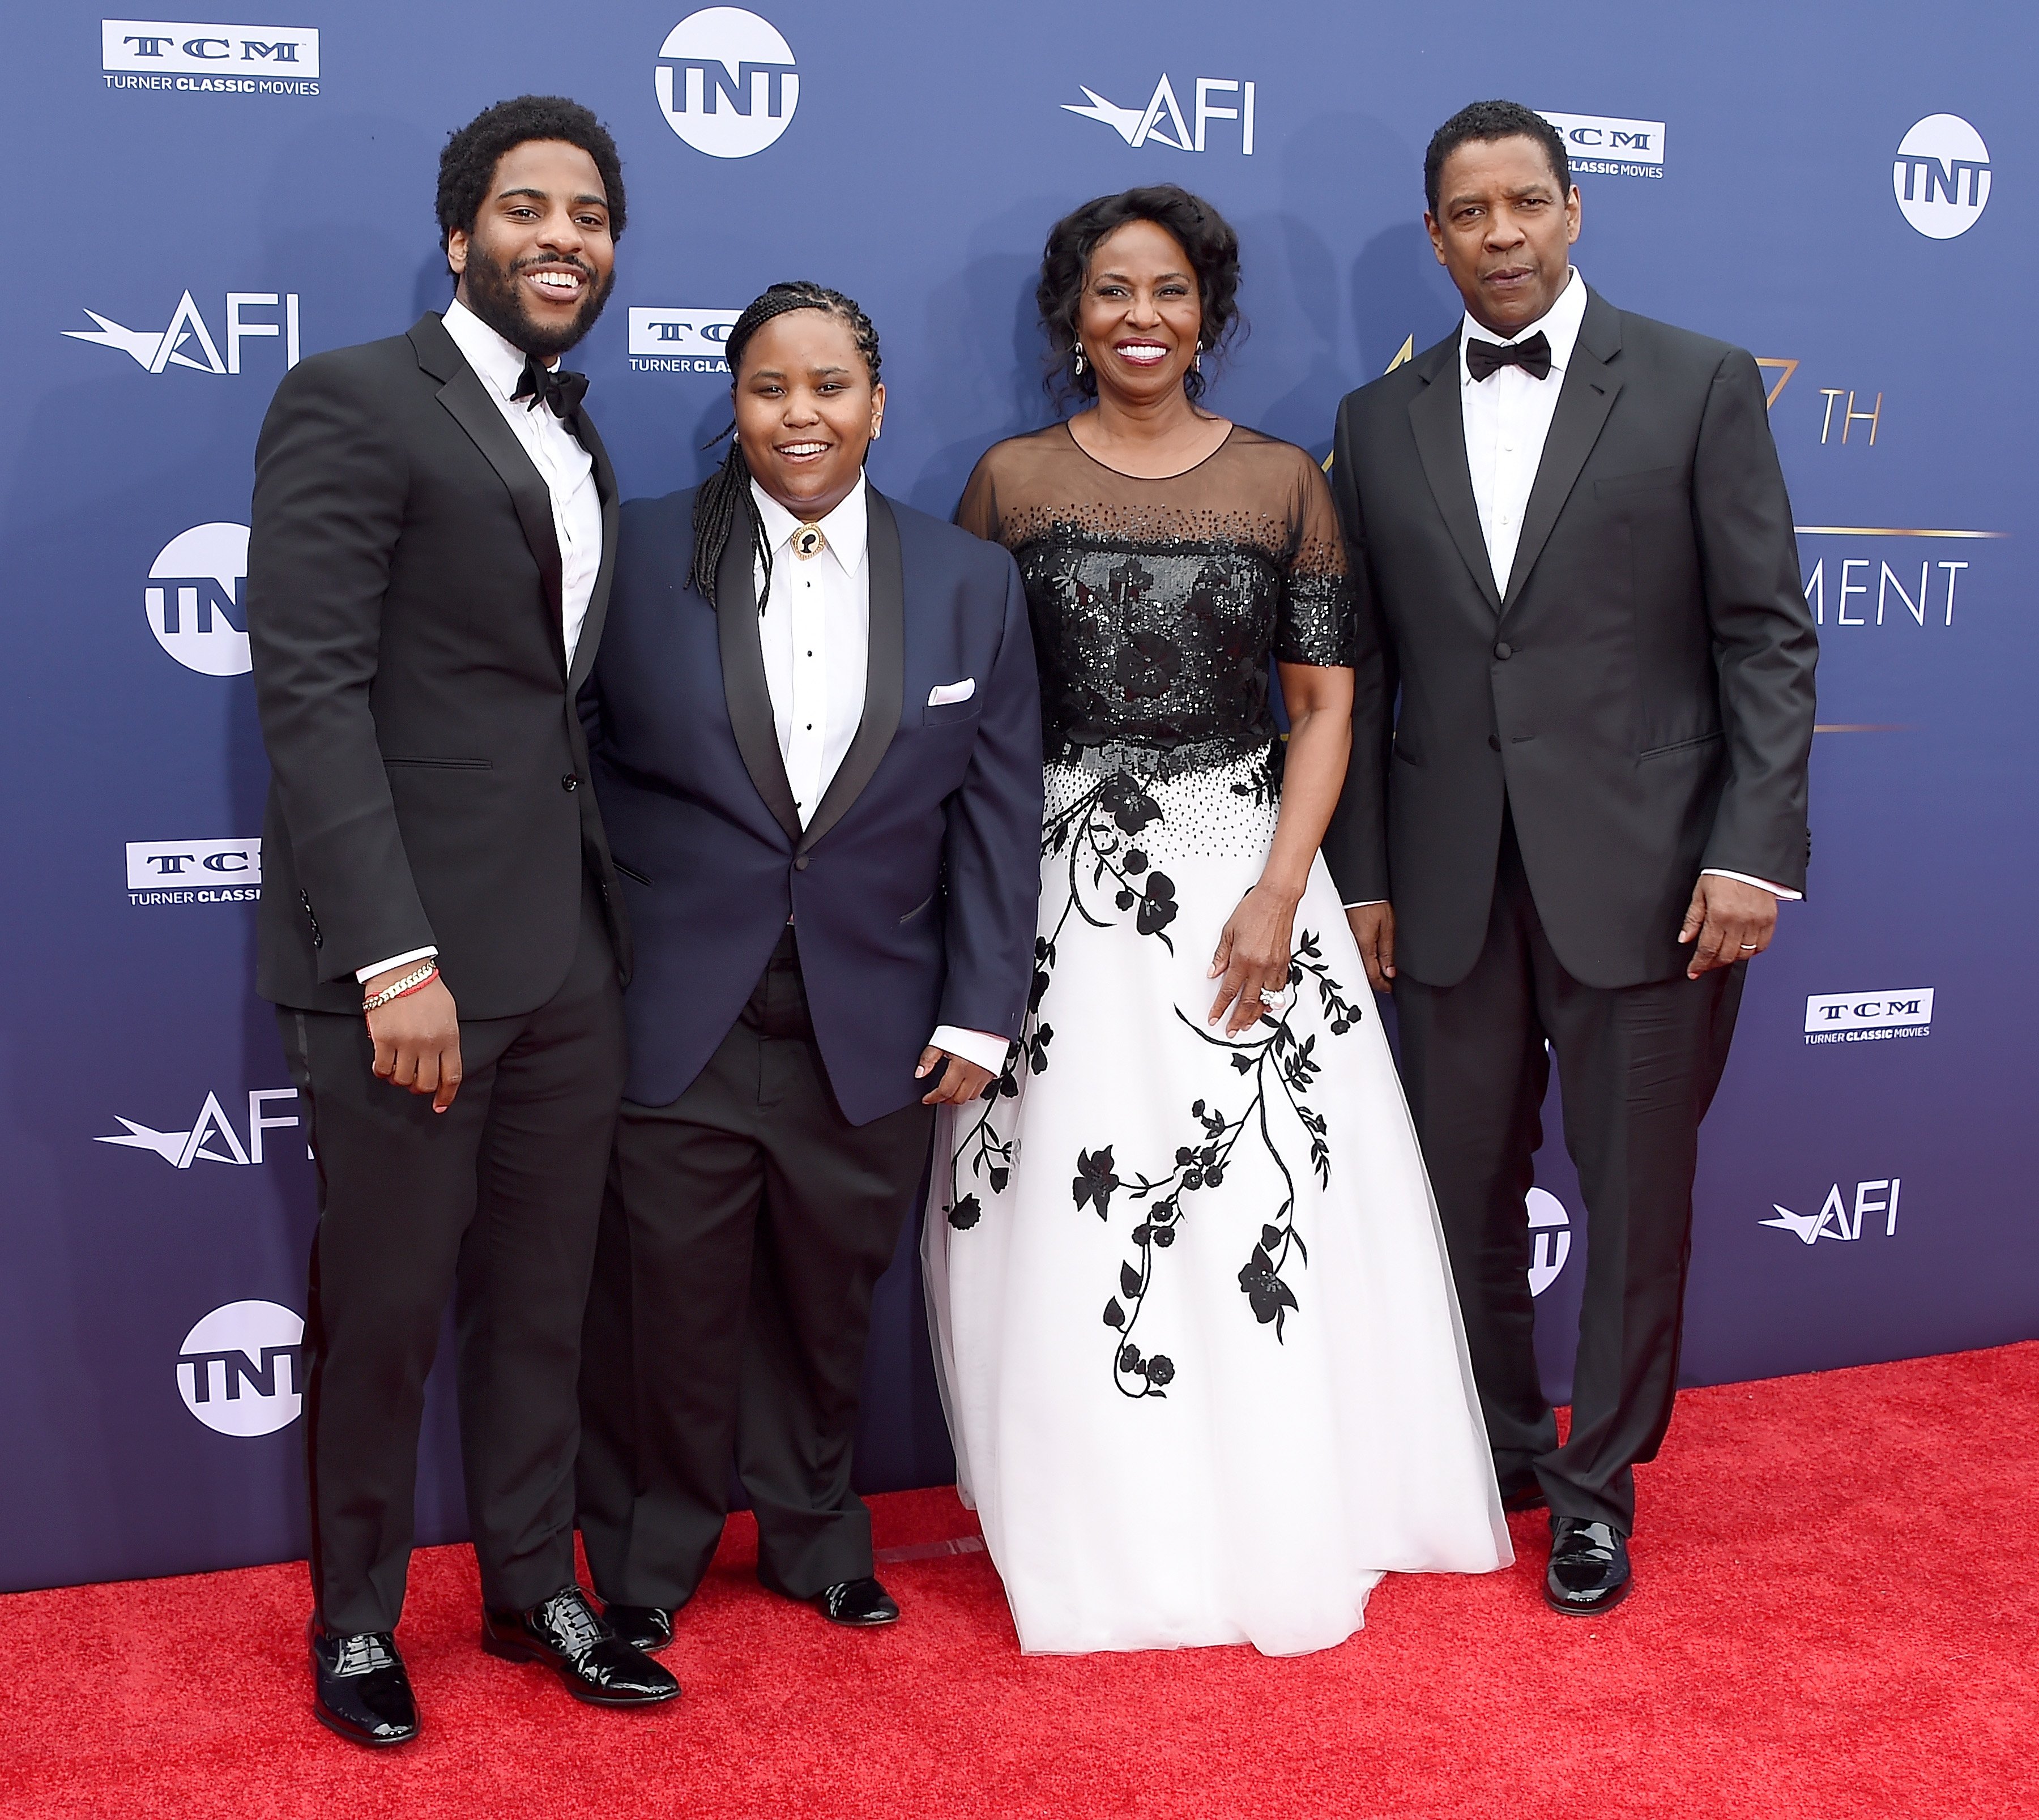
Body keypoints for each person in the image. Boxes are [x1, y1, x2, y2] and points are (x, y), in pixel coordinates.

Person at [925, 185, 1510, 1657]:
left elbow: (1323, 705)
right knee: (1073, 1208)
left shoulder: (1280, 485)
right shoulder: (1008, 482)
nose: (1141, 317)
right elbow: (975, 716)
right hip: (1060, 893)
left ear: (1210, 314)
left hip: (1245, 880)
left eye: (1170, 291)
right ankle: (1097, 1521)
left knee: (1260, 1208)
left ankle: (1277, 1500)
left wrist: (1272, 889)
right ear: (1073, 315)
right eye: (1113, 291)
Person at [1325, 101, 1818, 1616]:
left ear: (1573, 210)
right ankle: (1502, 1445)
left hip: (1659, 876)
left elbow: (1765, 637)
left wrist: (1754, 849)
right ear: (1435, 236)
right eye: (1468, 215)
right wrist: (1366, 872)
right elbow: (1366, 665)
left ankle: (1598, 1487)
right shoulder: (1373, 419)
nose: (1499, 238)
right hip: (1453, 882)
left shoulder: (1695, 383)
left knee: (1633, 1195)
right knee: (1463, 1187)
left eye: (1524, 205)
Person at [246, 96, 680, 1746]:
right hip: (410, 964)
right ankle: (355, 1615)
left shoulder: (579, 436)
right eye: (525, 208)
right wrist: (392, 954)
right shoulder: (354, 399)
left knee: (547, 1297)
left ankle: (527, 1580)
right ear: (460, 237)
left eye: (587, 214)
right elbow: (315, 691)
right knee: (387, 1300)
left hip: (569, 950)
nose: (561, 236)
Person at [574, 283, 1042, 1648]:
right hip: (674, 1007)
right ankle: (649, 1554)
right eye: (772, 387)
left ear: (877, 403)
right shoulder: (638, 547)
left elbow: (1000, 811)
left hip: (877, 1011)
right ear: (736, 402)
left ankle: (814, 1533)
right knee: (665, 1298)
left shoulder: (971, 582)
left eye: (830, 386)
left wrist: (980, 1008)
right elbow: (566, 774)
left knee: (832, 1297)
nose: (801, 413)